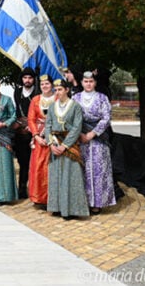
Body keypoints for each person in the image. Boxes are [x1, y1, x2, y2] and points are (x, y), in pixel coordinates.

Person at [44, 79, 89, 219]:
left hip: (69, 145)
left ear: (67, 90)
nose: (58, 92)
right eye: (56, 90)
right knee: (56, 175)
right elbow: (48, 126)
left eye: (60, 89)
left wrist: (65, 145)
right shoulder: (52, 107)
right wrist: (51, 143)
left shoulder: (75, 106)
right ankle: (56, 207)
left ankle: (72, 209)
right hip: (55, 144)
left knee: (71, 175)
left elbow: (77, 128)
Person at [74, 71, 116, 214]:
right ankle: (82, 201)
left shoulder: (102, 98)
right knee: (82, 170)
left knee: (98, 170)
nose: (88, 84)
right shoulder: (75, 98)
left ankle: (97, 203)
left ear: (95, 83)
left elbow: (106, 118)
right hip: (80, 139)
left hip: (98, 139)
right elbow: (71, 117)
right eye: (86, 81)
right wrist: (79, 133)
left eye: (91, 81)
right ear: (81, 83)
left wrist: (92, 134)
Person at [27, 74, 54, 206]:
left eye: (47, 84)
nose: (45, 86)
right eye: (42, 84)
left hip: (54, 137)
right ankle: (38, 197)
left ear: (52, 85)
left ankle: (52, 196)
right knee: (38, 167)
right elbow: (31, 119)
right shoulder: (36, 100)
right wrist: (36, 136)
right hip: (39, 138)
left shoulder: (58, 98)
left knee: (51, 168)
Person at [13, 67, 38, 199]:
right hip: (20, 132)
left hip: (35, 132)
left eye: (30, 78)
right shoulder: (17, 92)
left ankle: (36, 189)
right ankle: (22, 187)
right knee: (22, 162)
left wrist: (32, 125)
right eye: (25, 78)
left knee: (35, 162)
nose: (27, 80)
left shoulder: (38, 92)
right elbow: (17, 110)